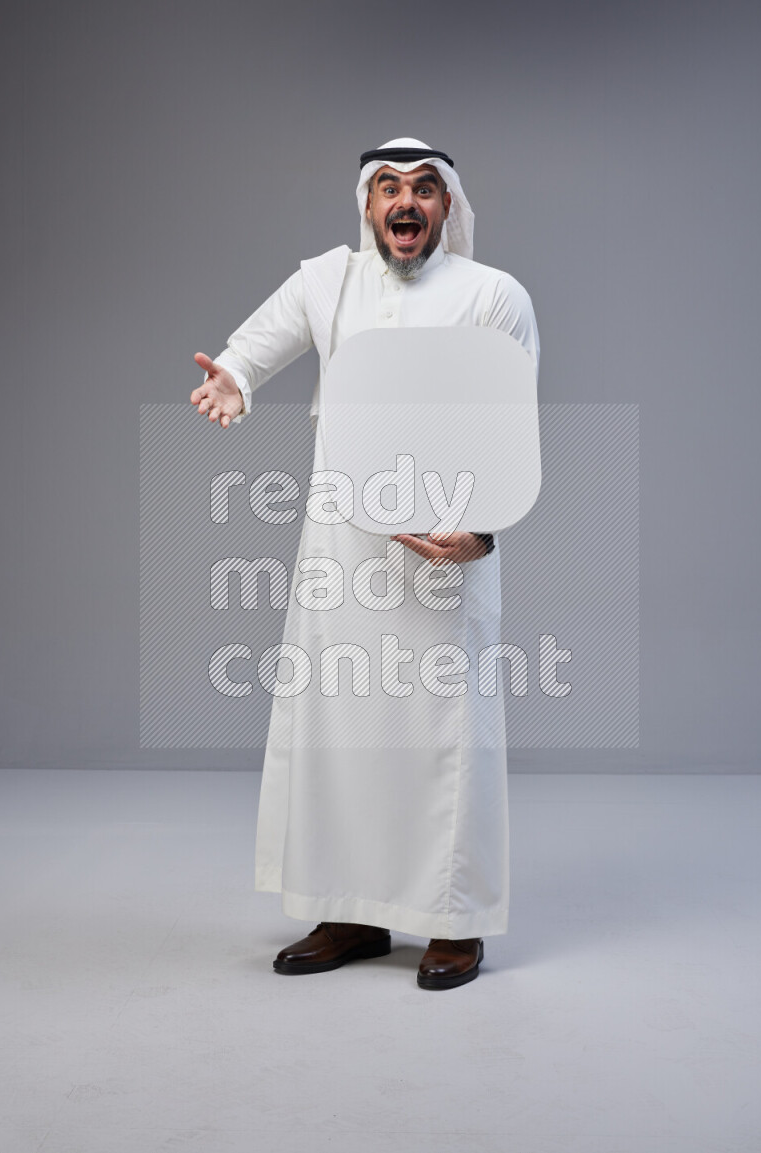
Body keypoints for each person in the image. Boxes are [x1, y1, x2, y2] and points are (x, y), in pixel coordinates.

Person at [190, 138, 539, 990]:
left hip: (442, 543)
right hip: (341, 543)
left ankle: (454, 922)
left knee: (442, 737)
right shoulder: (328, 280)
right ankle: (351, 910)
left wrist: (481, 532)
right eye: (389, 188)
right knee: (343, 730)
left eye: (424, 188)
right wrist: (232, 377)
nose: (406, 202)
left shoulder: (495, 296)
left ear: (448, 205)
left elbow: (511, 422)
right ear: (368, 203)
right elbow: (256, 343)